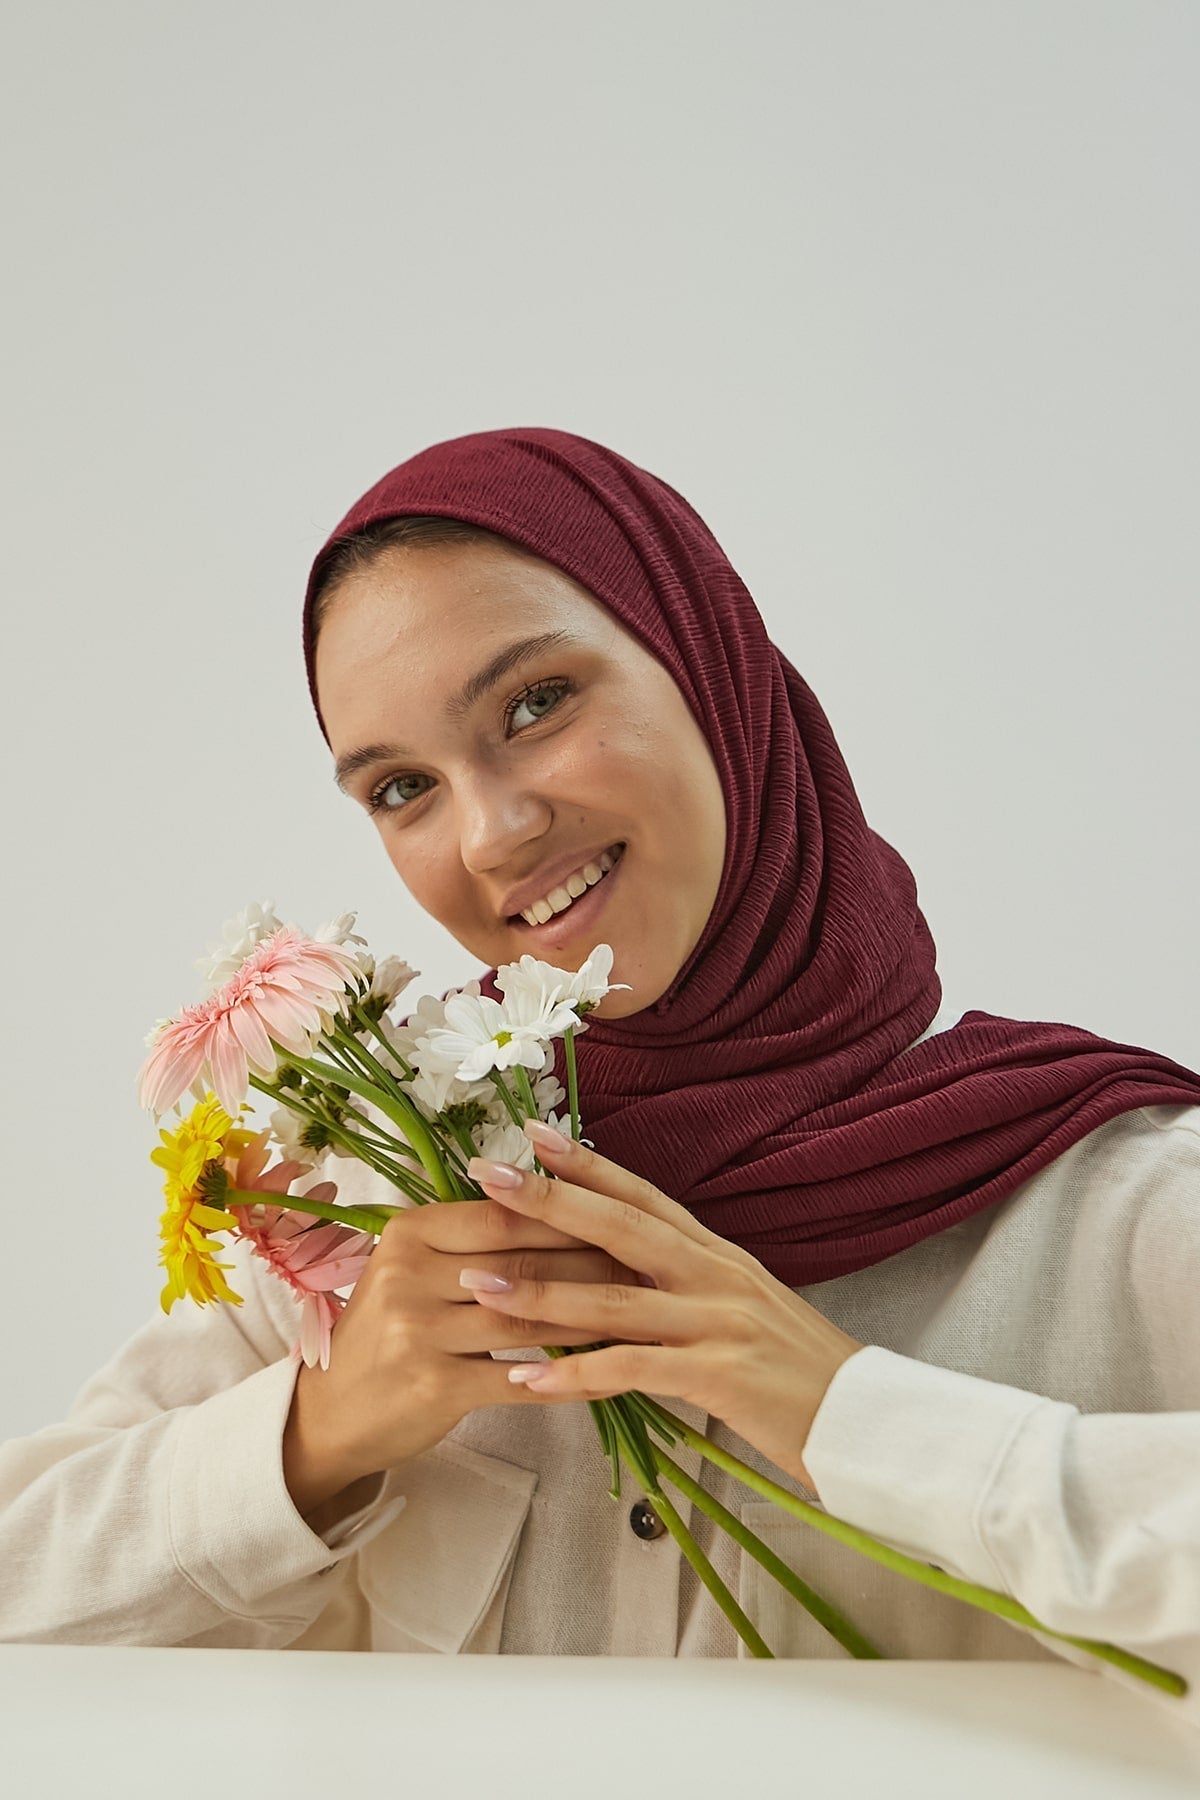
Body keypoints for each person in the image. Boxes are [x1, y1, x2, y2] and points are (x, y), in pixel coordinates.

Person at [1, 429, 1197, 1720]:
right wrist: (319, 1437)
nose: (493, 832)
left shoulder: (1113, 1218)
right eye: (404, 787)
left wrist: (849, 1416)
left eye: (535, 705)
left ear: (708, 665)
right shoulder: (377, 1230)